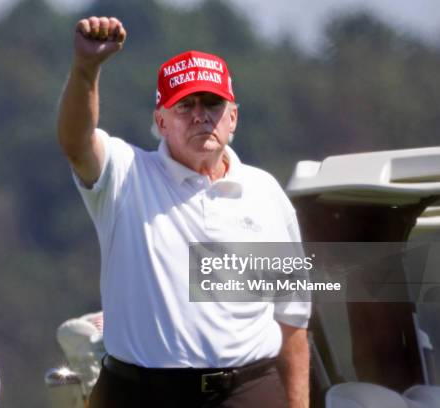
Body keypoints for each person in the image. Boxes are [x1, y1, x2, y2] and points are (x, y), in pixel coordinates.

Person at [57, 16, 311, 408]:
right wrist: (85, 70)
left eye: (212, 103)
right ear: (161, 121)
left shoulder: (264, 191)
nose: (200, 115)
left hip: (248, 391)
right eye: (185, 106)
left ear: (232, 118)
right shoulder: (126, 174)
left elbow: (292, 320)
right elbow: (76, 143)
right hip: (142, 394)